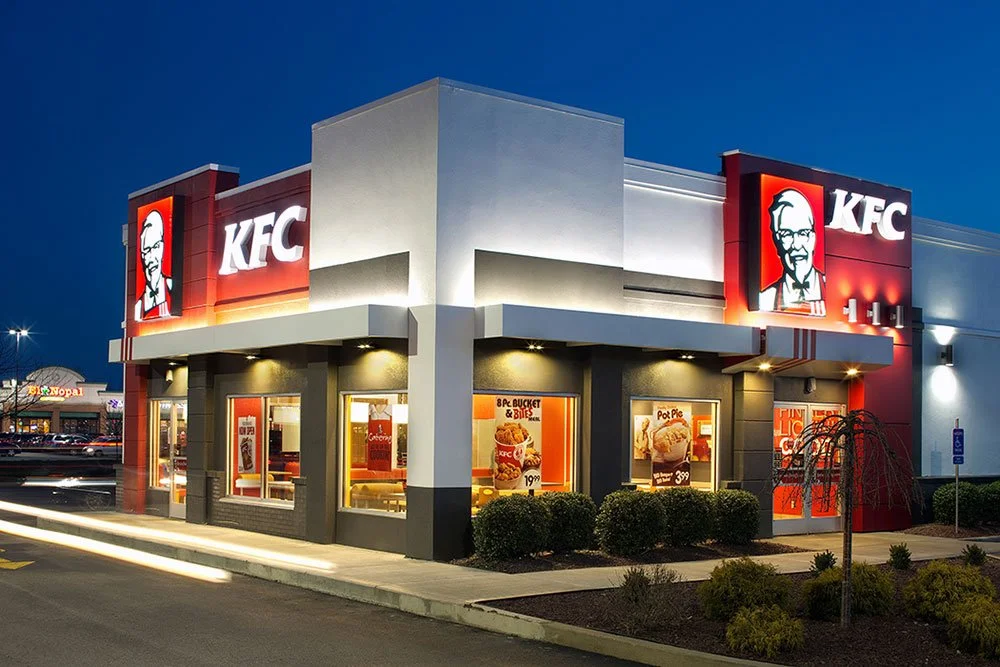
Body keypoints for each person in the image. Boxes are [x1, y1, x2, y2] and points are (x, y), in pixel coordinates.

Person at [759, 188, 826, 315]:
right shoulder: (765, 300)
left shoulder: (831, 290)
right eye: (787, 234)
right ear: (777, 241)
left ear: (813, 238)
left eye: (803, 233)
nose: (796, 244)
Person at [134, 210, 173, 321]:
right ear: (142, 256)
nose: (151, 258)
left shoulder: (171, 288)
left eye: (155, 247)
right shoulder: (138, 308)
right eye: (146, 251)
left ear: (162, 247)